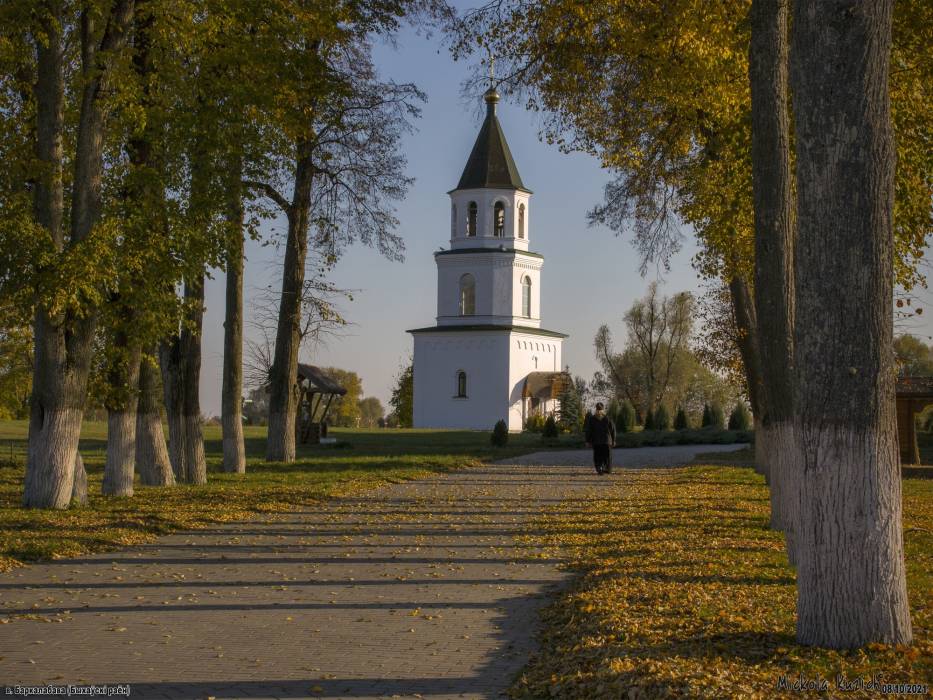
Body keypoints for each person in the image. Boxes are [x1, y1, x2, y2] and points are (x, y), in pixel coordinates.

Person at [585, 402, 616, 475]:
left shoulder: (592, 418)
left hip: (596, 441)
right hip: (607, 441)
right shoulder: (608, 418)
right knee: (607, 456)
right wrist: (614, 440)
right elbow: (613, 430)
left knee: (597, 456)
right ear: (603, 408)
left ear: (596, 409)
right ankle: (608, 469)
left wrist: (587, 441)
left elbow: (588, 431)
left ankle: (599, 469)